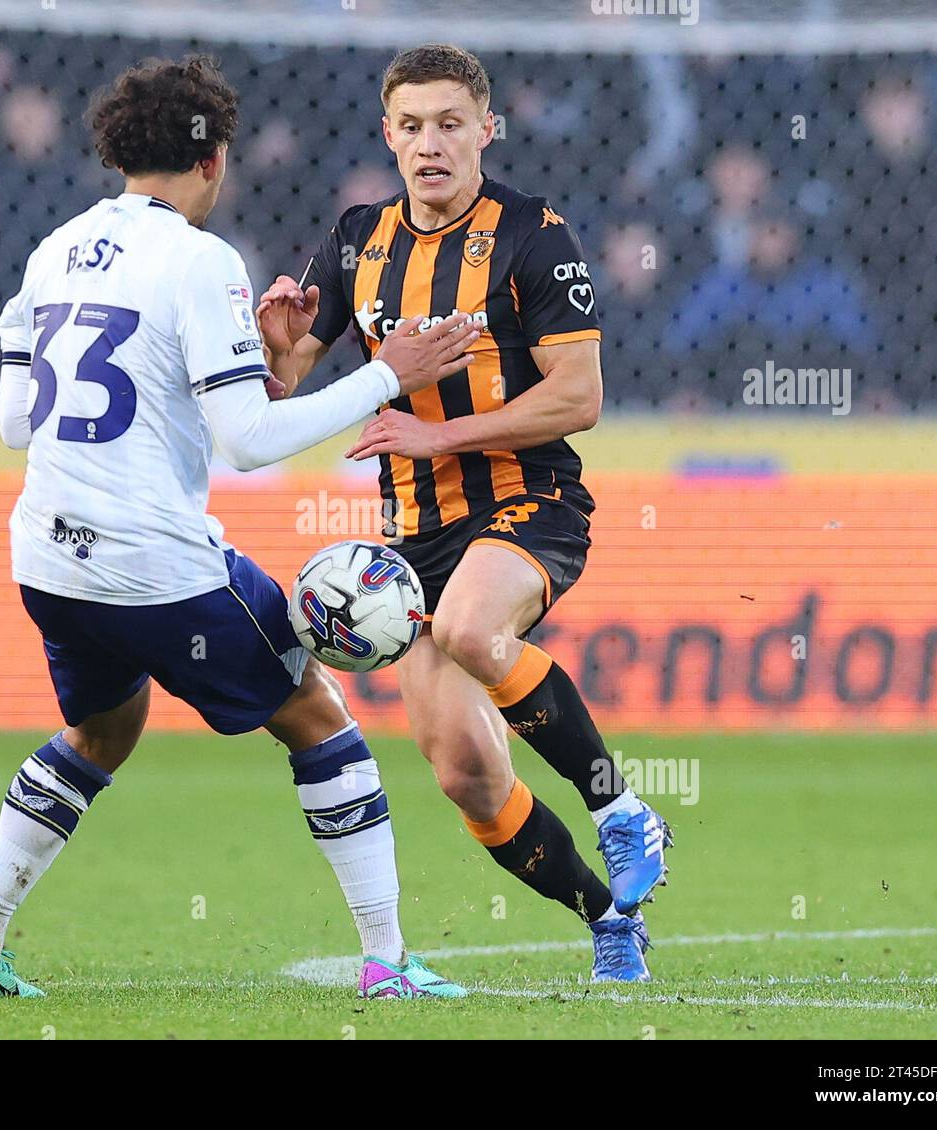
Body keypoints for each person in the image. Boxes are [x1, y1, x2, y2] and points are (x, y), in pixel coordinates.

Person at [0, 54, 480, 1000]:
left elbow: (17, 422)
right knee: (319, 717)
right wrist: (392, 374)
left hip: (48, 560)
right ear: (215, 158)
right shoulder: (201, 258)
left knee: (105, 731)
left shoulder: (53, 249)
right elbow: (251, 441)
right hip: (155, 564)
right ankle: (387, 963)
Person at [256, 44, 671, 982]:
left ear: (489, 128)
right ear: (387, 135)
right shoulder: (359, 239)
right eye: (411, 126)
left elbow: (580, 396)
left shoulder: (534, 235)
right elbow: (281, 402)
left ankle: (618, 809)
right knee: (468, 779)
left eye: (450, 124)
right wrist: (277, 353)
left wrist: (437, 437)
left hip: (533, 502)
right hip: (414, 542)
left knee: (475, 629)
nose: (429, 144)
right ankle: (609, 919)